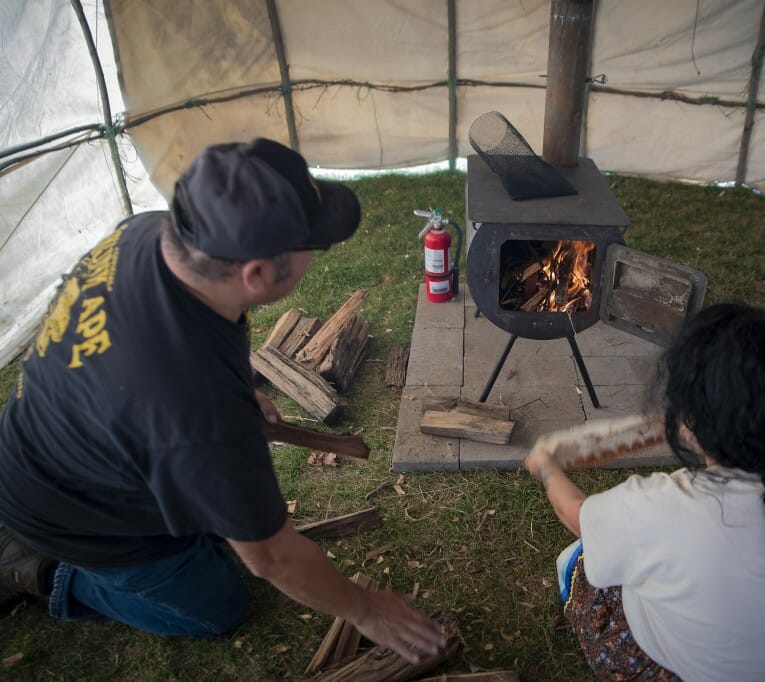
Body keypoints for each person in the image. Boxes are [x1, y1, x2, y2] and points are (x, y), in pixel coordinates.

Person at [0, 138, 446, 663]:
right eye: (312, 244)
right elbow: (272, 557)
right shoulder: (197, 413)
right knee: (215, 605)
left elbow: (184, 363)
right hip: (80, 516)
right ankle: (40, 572)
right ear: (255, 273)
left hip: (44, 442)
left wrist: (234, 396)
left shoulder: (146, 234)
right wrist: (364, 607)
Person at [525, 303, 765, 681]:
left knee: (582, 562)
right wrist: (676, 423)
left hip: (681, 669)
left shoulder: (665, 507)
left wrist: (546, 466)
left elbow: (577, 515)